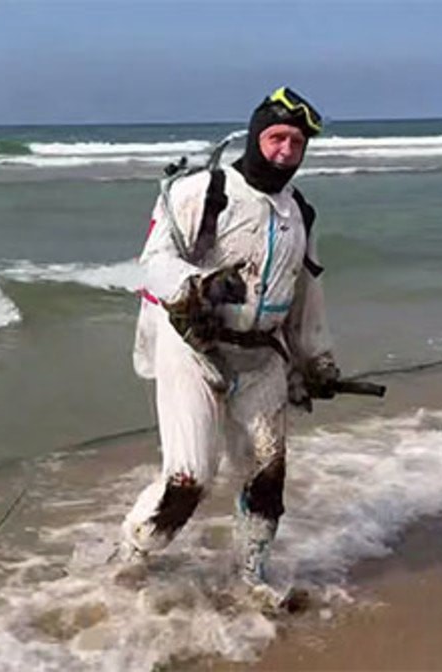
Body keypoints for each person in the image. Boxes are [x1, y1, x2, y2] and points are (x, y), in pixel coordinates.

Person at [123, 87, 341, 592]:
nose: (286, 151)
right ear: (255, 135)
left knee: (268, 475)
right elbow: (153, 263)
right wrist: (197, 285)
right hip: (193, 351)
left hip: (262, 356)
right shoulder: (202, 192)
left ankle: (251, 578)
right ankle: (130, 557)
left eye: (297, 143)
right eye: (277, 138)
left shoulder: (300, 212)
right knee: (188, 482)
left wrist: (316, 360)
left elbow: (306, 291)